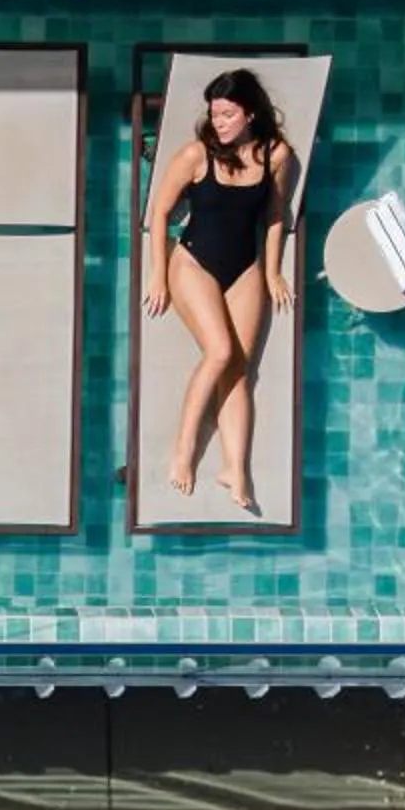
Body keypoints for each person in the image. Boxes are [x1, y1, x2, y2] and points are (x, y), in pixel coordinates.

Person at [142, 68, 299, 516]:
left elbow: (273, 215)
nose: (219, 123)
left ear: (249, 113)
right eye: (214, 114)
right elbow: (161, 210)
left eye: (228, 115)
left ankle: (235, 468)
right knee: (218, 353)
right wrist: (158, 274)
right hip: (193, 263)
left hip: (244, 268)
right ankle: (183, 449)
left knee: (239, 371)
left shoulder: (276, 155)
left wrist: (270, 273)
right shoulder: (196, 154)